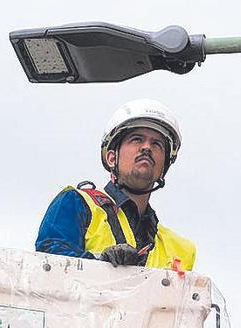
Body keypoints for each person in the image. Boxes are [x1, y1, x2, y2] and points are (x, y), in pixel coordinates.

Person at [36, 99, 196, 270]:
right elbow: (49, 265)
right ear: (112, 158)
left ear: (163, 167)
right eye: (137, 140)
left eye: (156, 144)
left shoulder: (181, 250)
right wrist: (101, 263)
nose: (147, 147)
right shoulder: (76, 203)